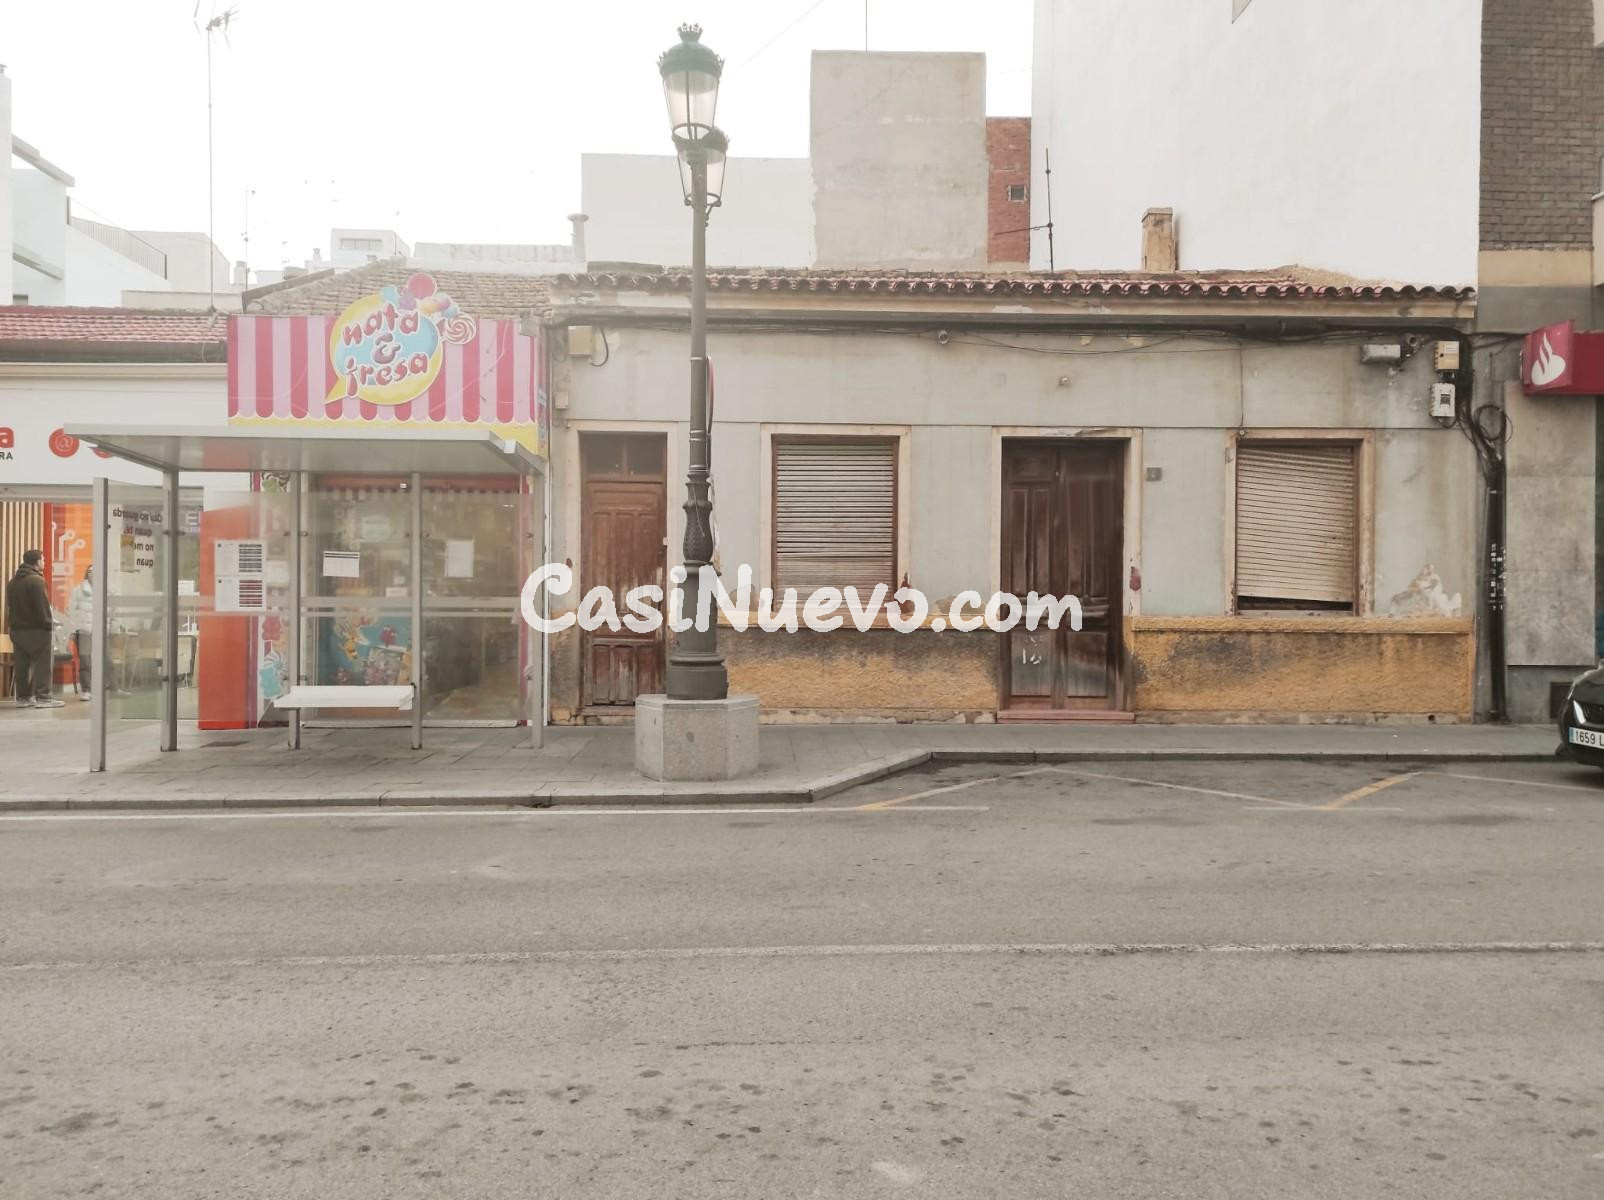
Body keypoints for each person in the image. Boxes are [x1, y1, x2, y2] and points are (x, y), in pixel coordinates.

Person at [6, 549, 63, 708]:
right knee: (43, 665)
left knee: (22, 665)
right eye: (43, 560)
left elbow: (11, 608)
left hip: (17, 631)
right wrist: (49, 624)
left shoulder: (12, 582)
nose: (44, 563)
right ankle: (44, 698)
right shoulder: (36, 581)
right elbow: (42, 607)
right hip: (37, 630)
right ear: (37, 562)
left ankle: (23, 698)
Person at [67, 566, 94, 701]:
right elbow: (71, 612)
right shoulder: (78, 591)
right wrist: (72, 630)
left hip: (101, 631)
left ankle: (107, 687)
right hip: (83, 631)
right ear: (86, 574)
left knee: (105, 661)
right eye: (90, 571)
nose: (93, 574)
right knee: (85, 661)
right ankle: (87, 690)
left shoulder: (106, 590)